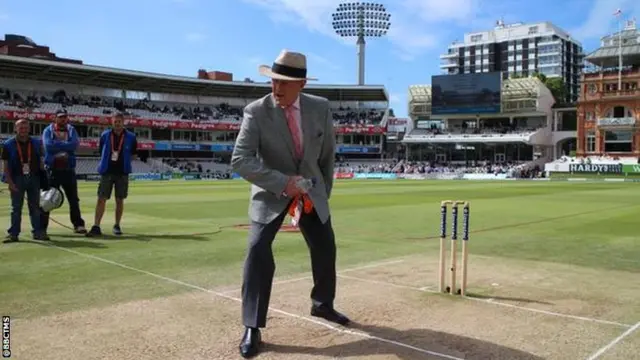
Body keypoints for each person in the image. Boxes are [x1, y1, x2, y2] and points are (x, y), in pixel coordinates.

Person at [231, 49, 347, 359]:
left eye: (284, 82)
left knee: (326, 245)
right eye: (273, 81)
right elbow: (240, 160)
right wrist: (284, 183)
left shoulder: (320, 108)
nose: (277, 88)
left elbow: (327, 157)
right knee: (257, 249)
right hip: (271, 192)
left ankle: (322, 304)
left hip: (311, 190)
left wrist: (322, 193)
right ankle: (252, 326)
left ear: (302, 84)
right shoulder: (256, 112)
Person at [85, 112, 137, 237]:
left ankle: (117, 225)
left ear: (123, 122)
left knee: (119, 200)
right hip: (107, 171)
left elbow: (134, 154)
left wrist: (123, 159)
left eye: (119, 121)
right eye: (115, 121)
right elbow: (101, 150)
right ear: (111, 122)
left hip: (122, 172)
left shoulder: (131, 137)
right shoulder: (105, 135)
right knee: (101, 199)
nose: (117, 123)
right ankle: (96, 226)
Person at [2, 119, 49, 242]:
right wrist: (10, 182)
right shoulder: (8, 144)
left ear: (29, 129)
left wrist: (43, 174)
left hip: (34, 178)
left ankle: (38, 232)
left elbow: (41, 161)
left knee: (35, 207)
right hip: (17, 178)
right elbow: (5, 166)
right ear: (15, 129)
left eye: (25, 127)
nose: (23, 130)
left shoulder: (37, 143)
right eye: (20, 128)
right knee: (16, 208)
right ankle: (14, 233)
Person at [41, 109, 87, 234]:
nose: (63, 119)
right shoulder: (48, 130)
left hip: (68, 170)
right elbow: (48, 147)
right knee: (47, 199)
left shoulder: (71, 130)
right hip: (52, 170)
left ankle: (78, 224)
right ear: (55, 118)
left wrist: (58, 145)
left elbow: (74, 145)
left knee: (73, 199)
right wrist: (65, 145)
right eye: (60, 117)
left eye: (64, 117)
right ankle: (42, 227)